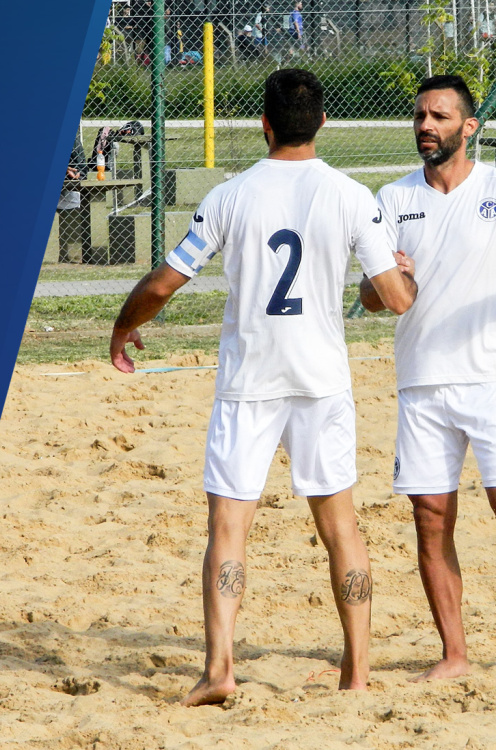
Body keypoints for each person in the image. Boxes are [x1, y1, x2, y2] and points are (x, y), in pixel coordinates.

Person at [110, 69, 418, 706]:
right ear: (324, 122)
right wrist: (405, 278)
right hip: (320, 379)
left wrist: (122, 326)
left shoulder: (231, 194)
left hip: (250, 380)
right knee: (342, 529)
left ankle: (220, 668)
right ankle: (356, 674)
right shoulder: (351, 194)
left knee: (228, 530)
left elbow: (165, 283)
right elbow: (393, 299)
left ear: (264, 124)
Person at [359, 74, 496, 682]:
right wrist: (384, 278)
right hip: (421, 383)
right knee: (431, 518)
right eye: (419, 116)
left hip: (490, 378)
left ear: (469, 127)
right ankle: (456, 655)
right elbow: (371, 298)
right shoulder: (390, 199)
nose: (425, 126)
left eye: (439, 117)